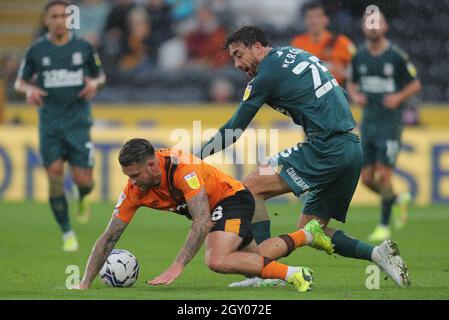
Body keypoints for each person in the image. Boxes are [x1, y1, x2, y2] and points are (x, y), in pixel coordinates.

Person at [198, 26, 410, 288]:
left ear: (258, 47)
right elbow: (340, 93)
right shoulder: (295, 53)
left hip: (325, 147)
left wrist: (198, 155)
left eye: (239, 55)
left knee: (251, 185)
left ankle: (262, 273)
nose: (237, 64)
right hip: (350, 148)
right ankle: (378, 254)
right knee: (311, 231)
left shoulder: (268, 73)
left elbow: (234, 128)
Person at [77, 139, 335, 292]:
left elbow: (202, 221)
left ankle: (294, 274)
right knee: (256, 260)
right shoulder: (135, 190)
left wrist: (178, 264)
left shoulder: (182, 169)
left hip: (231, 198)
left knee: (217, 259)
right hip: (217, 210)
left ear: (152, 165)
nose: (132, 182)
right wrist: (85, 284)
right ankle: (306, 235)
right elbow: (110, 237)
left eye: (135, 175)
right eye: (128, 177)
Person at [14, 0, 105, 251]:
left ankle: (83, 196)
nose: (58, 20)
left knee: (84, 181)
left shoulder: (84, 47)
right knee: (54, 177)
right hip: (50, 125)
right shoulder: (36, 50)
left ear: (69, 18)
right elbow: (19, 83)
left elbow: (101, 76)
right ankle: (67, 233)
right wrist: (29, 88)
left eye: (63, 15)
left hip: (78, 123)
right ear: (46, 20)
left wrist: (94, 85)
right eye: (53, 16)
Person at [347, 12, 421, 242]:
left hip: (390, 123)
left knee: (385, 175)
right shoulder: (359, 56)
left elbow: (415, 83)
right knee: (367, 179)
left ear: (385, 26)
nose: (373, 27)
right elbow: (351, 81)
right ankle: (397, 199)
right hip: (368, 122)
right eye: (369, 23)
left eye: (377, 22)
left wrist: (398, 97)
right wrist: (355, 95)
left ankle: (384, 226)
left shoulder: (396, 56)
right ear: (363, 28)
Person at [291, 2, 356, 86]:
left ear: (326, 19)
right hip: (307, 93)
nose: (314, 21)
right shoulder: (297, 43)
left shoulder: (342, 42)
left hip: (336, 92)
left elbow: (357, 68)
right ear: (304, 20)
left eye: (318, 17)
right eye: (309, 17)